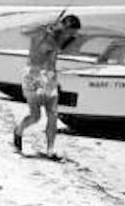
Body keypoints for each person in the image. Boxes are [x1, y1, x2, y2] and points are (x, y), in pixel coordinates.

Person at [13, 14, 81, 160]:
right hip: (33, 76)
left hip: (49, 78)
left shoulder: (60, 38)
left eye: (73, 33)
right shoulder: (42, 33)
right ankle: (18, 131)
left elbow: (64, 48)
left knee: (53, 115)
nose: (71, 35)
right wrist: (44, 27)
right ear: (64, 27)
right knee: (35, 116)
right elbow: (23, 31)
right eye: (70, 32)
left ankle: (50, 150)